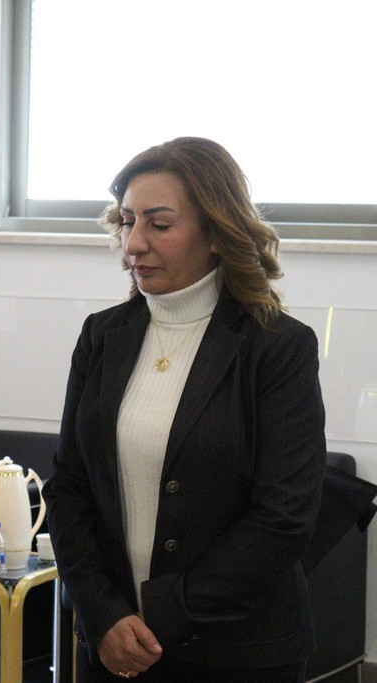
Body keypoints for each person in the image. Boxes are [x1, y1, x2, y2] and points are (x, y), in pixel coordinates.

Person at [42, 137, 326, 682]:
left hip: (238, 652)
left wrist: (161, 615)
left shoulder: (277, 347)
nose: (134, 244)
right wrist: (103, 614)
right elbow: (68, 487)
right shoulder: (102, 336)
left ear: (217, 233)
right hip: (113, 645)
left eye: (159, 224)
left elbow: (284, 516)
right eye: (127, 222)